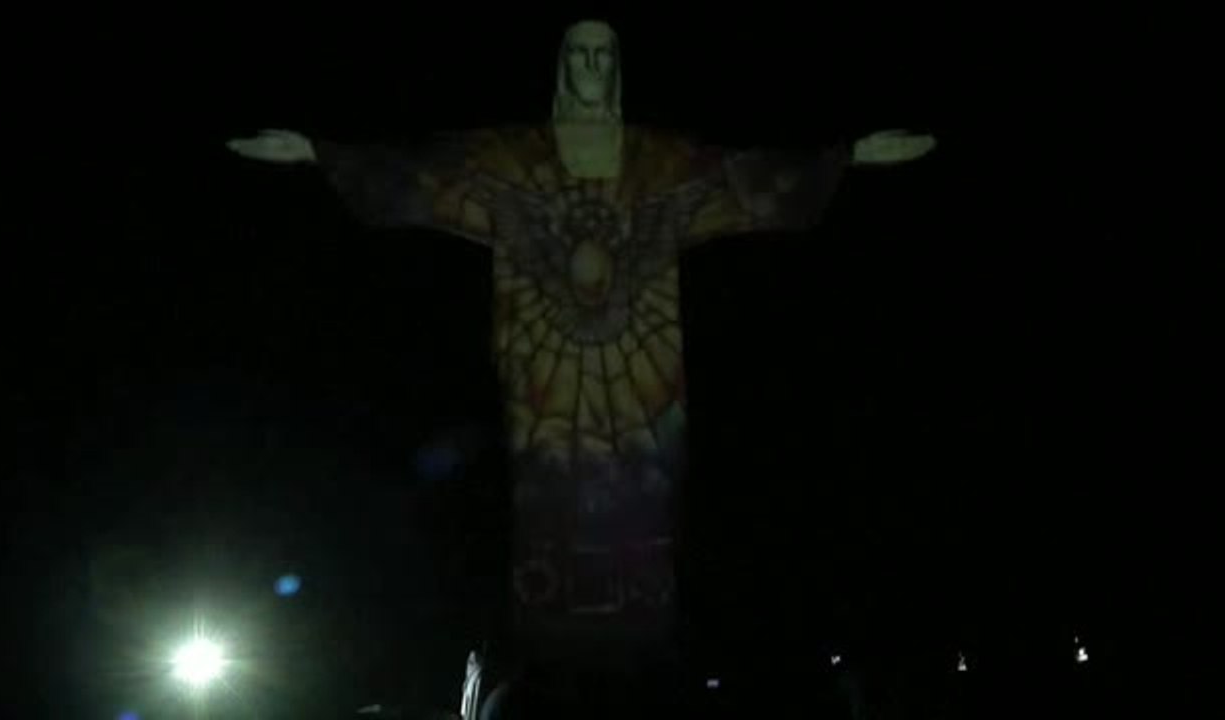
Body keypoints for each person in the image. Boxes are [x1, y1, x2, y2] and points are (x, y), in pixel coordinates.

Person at [229, 18, 934, 707]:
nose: (592, 70)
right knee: (548, 538)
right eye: (580, 55)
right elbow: (426, 173)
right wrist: (319, 152)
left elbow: (741, 181)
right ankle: (549, 673)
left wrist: (845, 157)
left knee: (642, 538)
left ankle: (637, 664)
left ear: (618, 70)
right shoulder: (516, 157)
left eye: (605, 57)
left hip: (641, 399)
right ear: (561, 67)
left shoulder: (655, 162)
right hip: (547, 396)